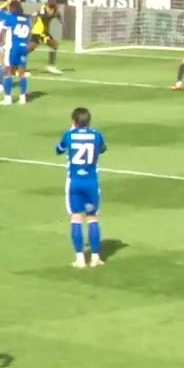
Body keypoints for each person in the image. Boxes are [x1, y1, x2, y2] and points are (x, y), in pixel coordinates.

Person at [57, 107, 107, 268]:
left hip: (74, 183)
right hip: (91, 183)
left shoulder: (69, 135)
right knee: (92, 218)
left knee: (76, 218)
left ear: (74, 121)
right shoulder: (96, 135)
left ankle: (79, 258)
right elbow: (103, 149)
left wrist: (70, 132)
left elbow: (58, 149)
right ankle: (95, 257)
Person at [0, 0, 31, 106]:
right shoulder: (27, 19)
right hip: (24, 47)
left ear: (12, 8)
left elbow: (2, 33)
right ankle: (23, 97)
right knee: (22, 73)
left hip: (12, 48)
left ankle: (8, 98)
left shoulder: (10, 18)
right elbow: (29, 34)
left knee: (8, 72)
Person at [29, 0, 62, 74]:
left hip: (44, 31)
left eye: (54, 0)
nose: (53, 2)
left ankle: (51, 66)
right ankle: (14, 63)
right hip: (38, 31)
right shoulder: (43, 8)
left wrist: (60, 20)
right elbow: (43, 16)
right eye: (51, 0)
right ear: (48, 1)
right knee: (30, 48)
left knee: (30, 48)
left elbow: (58, 14)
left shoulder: (55, 8)